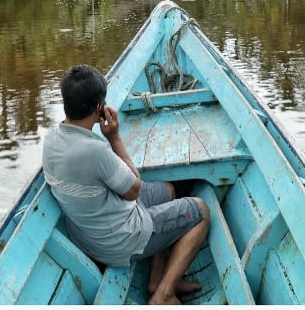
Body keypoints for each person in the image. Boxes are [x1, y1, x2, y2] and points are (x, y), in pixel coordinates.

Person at [42, 64, 210, 305]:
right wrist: (114, 137)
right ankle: (163, 294)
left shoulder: (51, 139)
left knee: (168, 190)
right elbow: (134, 190)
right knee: (201, 210)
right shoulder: (95, 151)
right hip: (120, 242)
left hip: (88, 237)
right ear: (99, 108)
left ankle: (157, 278)